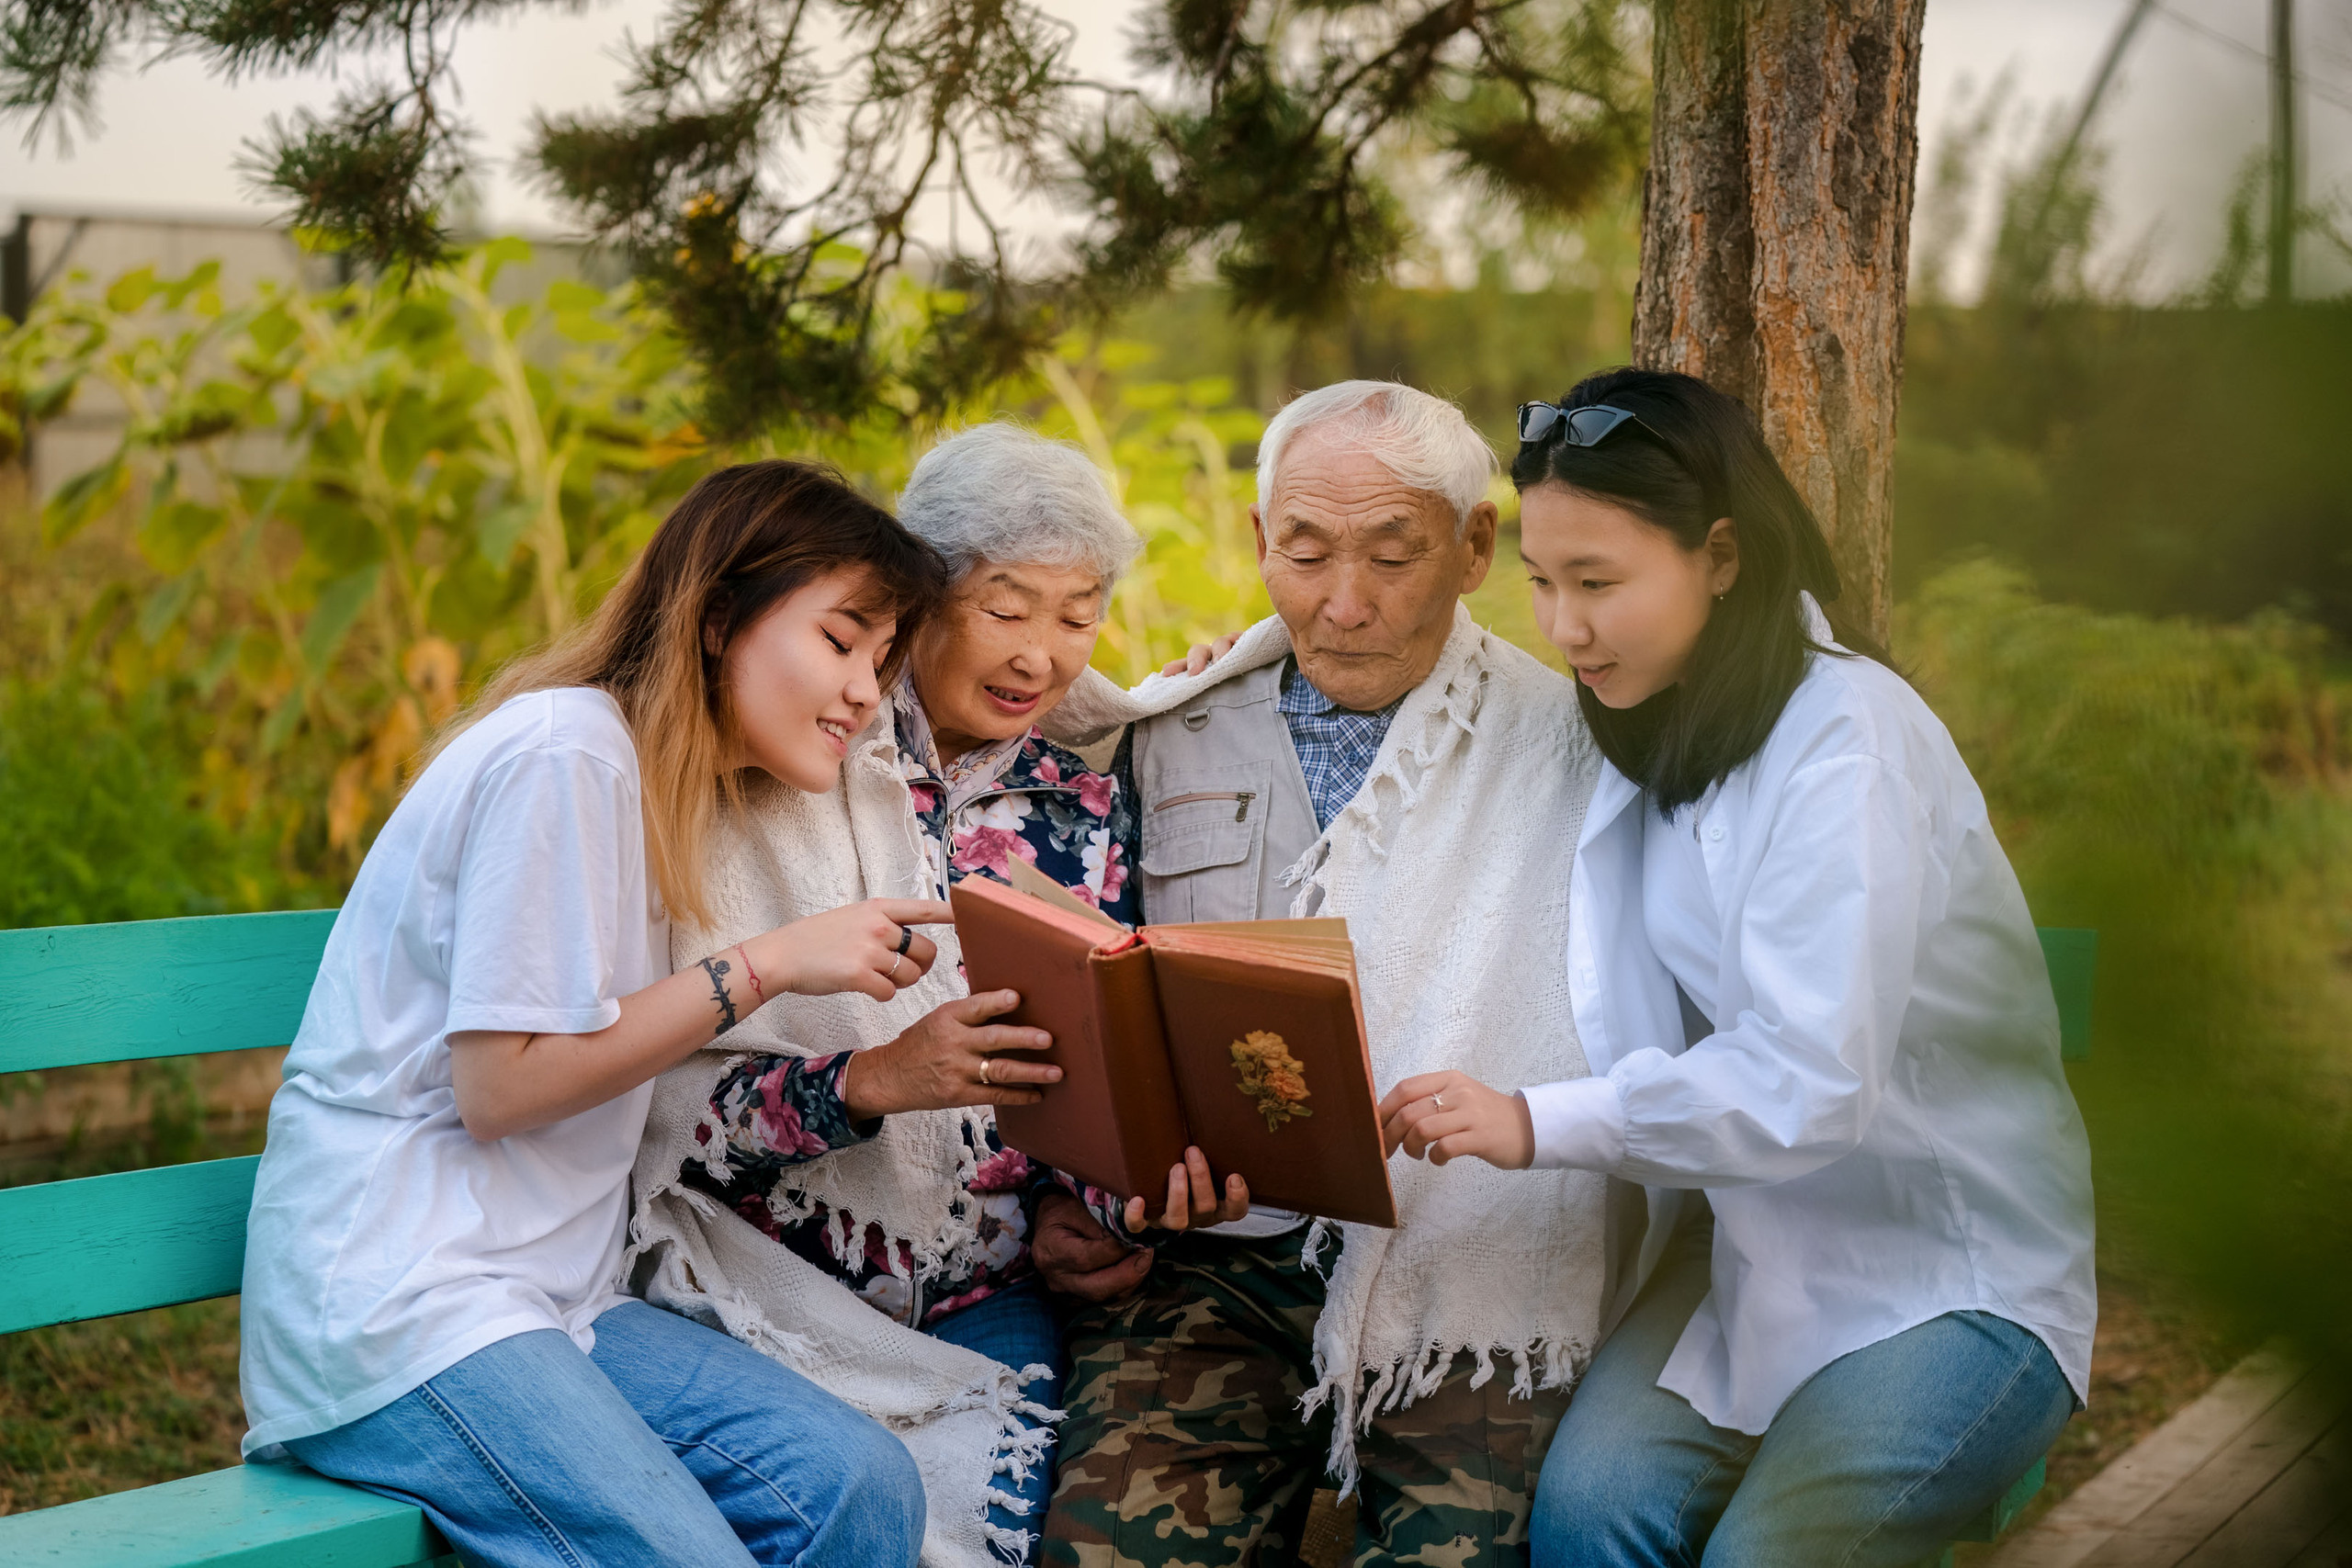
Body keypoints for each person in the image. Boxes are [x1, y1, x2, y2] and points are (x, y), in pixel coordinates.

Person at [1379, 367, 2097, 1568]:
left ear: (1721, 555)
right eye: (1544, 584)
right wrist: (1195, 680)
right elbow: (1449, 722)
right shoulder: (1645, 719)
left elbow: (1811, 1078)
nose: (1564, 628)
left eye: (1600, 583)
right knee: (1587, 1523)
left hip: (1948, 1271)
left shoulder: (1846, 741)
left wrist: (1529, 1119)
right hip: (1753, 1253)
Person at [237, 460, 956, 1568]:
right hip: (405, 1308)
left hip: (556, 1301)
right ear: (720, 618)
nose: (866, 689)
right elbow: (503, 1087)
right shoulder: (565, 757)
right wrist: (768, 965)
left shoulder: (668, 788)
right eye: (841, 638)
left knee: (855, 1486)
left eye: (881, 656)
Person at [1026, 381, 1612, 1568]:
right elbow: (1101, 999)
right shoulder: (1167, 730)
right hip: (1216, 1266)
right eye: (1303, 553)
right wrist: (1093, 1186)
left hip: (1465, 1270)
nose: (1343, 605)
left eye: (1394, 555)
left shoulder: (1566, 746)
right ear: (1259, 544)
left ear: (1475, 547)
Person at [625, 423, 1227, 1568]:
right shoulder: (788, 764)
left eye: (1077, 614)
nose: (1041, 655)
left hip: (984, 1292)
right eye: (1006, 607)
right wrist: (874, 1082)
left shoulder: (1079, 807)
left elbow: (1095, 1066)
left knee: (1007, 1517)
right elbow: (662, 1117)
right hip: (754, 1277)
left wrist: (1082, 1213)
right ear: (915, 598)